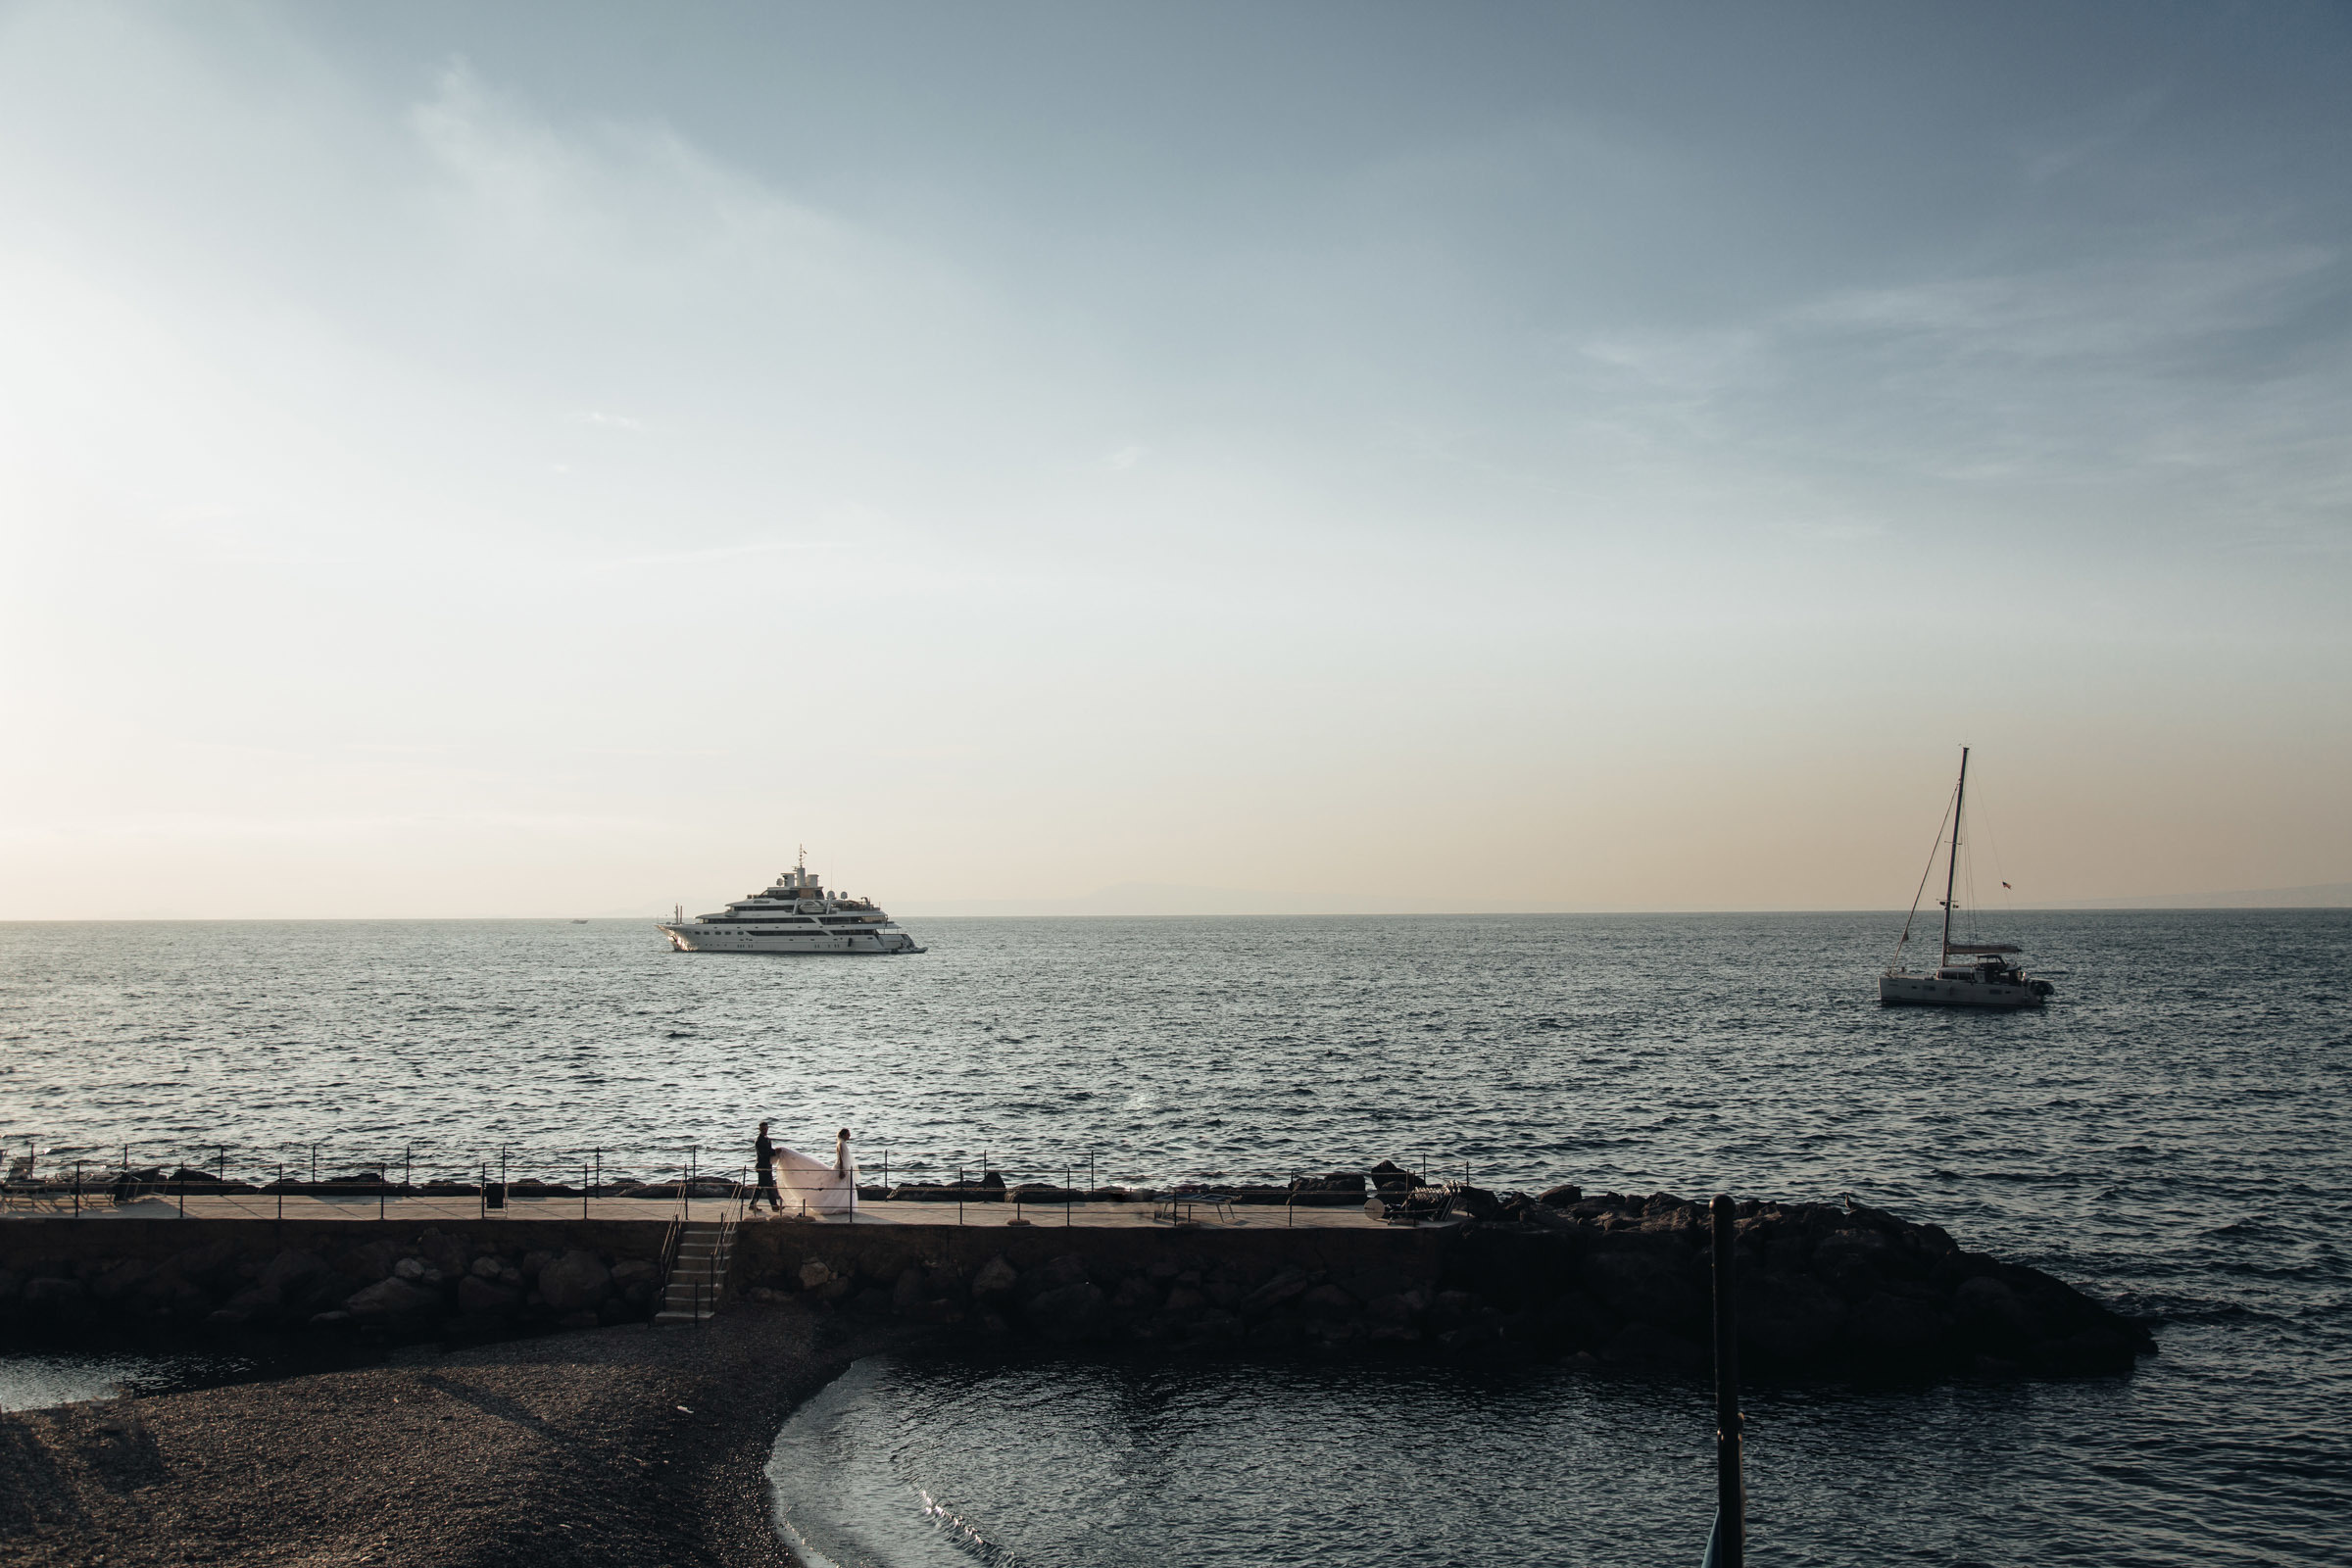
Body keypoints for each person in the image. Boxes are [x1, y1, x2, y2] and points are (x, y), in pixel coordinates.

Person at [751, 1120, 780, 1212]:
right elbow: (764, 1153)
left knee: (762, 1187)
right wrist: (775, 1152)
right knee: (767, 1187)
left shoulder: (766, 1138)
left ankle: (753, 1205)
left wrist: (774, 1151)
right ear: (760, 1129)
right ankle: (774, 1206)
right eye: (763, 1129)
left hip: (767, 1166)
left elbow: (768, 1150)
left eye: (766, 1129)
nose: (764, 1130)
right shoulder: (759, 1140)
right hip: (762, 1167)